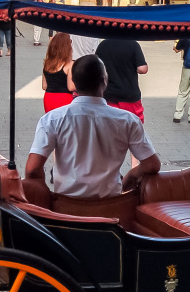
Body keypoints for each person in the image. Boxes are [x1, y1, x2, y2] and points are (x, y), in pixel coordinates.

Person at [25, 55, 160, 201]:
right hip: (112, 208)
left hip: (66, 210)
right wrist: (132, 175)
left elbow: (32, 169)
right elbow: (152, 164)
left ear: (74, 82)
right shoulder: (128, 120)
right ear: (104, 81)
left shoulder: (52, 119)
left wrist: (44, 194)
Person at [95, 39, 149, 123]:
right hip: (129, 95)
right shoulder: (133, 45)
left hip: (108, 95)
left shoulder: (103, 45)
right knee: (132, 128)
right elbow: (142, 69)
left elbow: (95, 67)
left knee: (109, 128)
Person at [42, 33, 76, 113]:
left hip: (49, 97)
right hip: (64, 98)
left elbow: (44, 86)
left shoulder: (47, 64)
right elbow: (71, 87)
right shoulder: (69, 65)